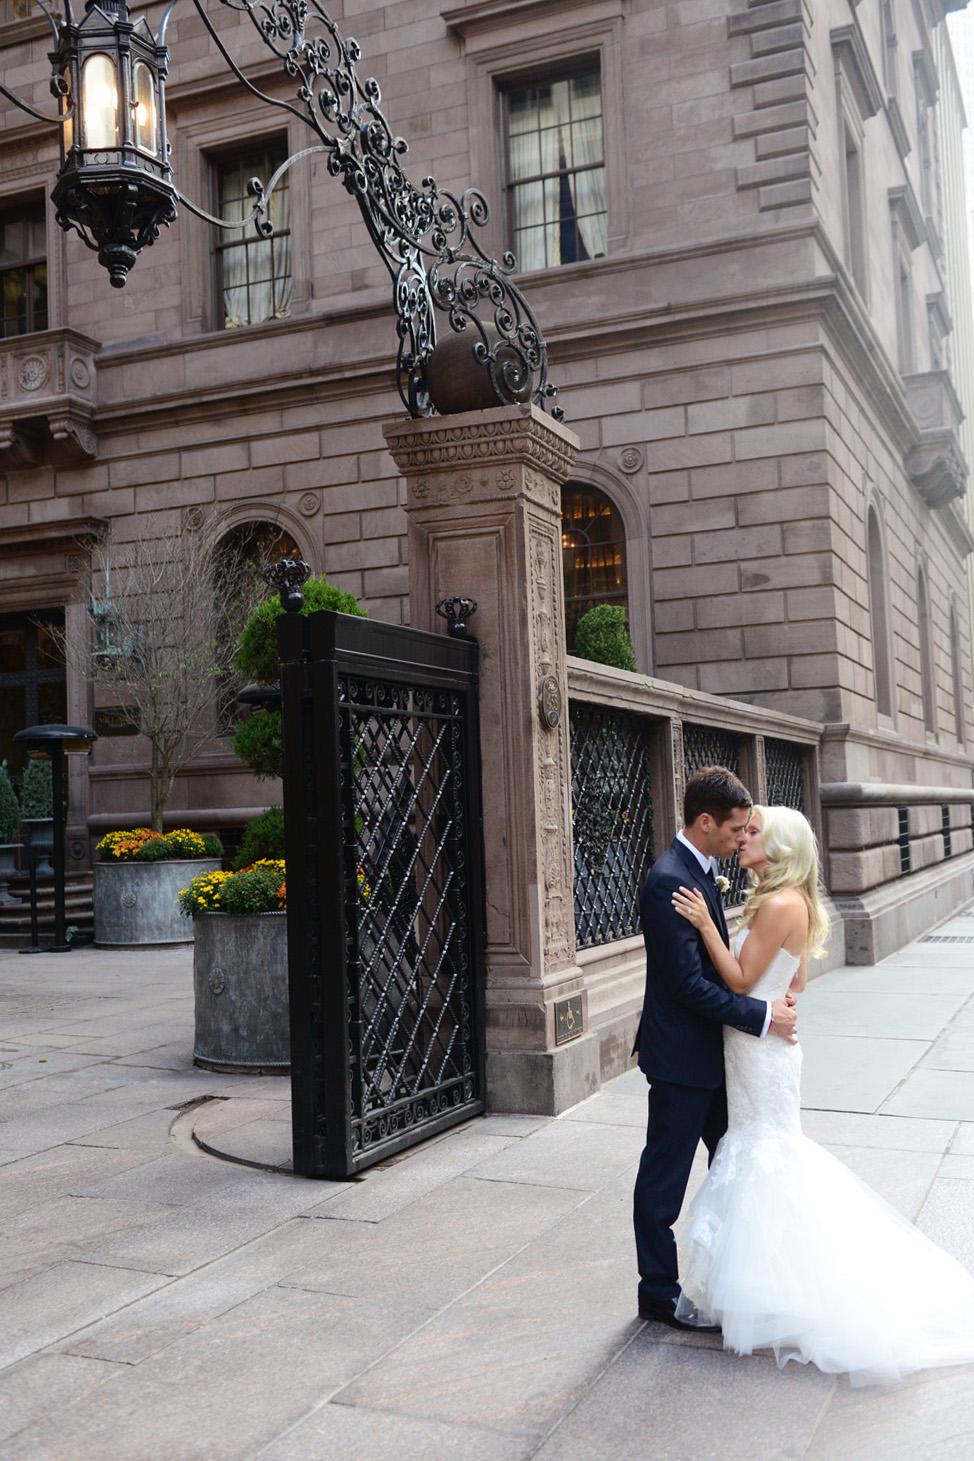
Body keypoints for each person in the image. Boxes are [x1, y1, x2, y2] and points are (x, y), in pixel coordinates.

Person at [671, 803, 974, 1385]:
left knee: (767, 1156)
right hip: (762, 1046)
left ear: (781, 848)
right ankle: (776, 1289)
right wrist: (776, 1001)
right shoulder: (789, 901)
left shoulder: (781, 903)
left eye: (755, 832)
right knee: (766, 1153)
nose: (744, 838)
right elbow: (798, 980)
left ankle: (789, 1292)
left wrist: (707, 928)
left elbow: (737, 980)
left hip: (759, 1053)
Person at [632, 766, 799, 1333]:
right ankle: (657, 1292)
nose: (739, 839)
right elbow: (687, 986)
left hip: (721, 1059)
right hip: (682, 1060)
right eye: (733, 830)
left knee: (738, 1167)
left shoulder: (701, 871)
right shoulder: (668, 879)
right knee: (664, 1182)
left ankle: (739, 1280)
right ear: (705, 823)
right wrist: (760, 1017)